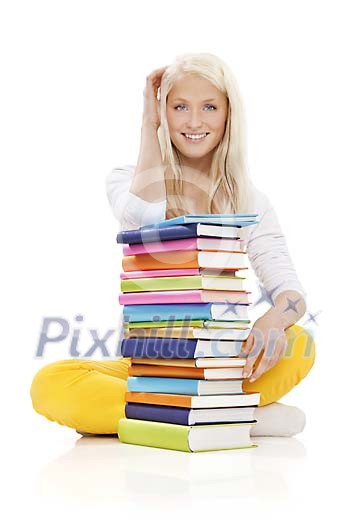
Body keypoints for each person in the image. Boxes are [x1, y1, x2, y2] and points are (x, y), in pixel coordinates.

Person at [30, 52, 315, 438]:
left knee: (300, 342)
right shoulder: (126, 178)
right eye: (179, 106)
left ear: (229, 114)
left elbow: (292, 294)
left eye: (209, 107)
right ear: (163, 112)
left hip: (221, 362)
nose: (194, 121)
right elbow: (140, 217)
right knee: (52, 382)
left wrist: (274, 321)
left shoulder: (250, 200)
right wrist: (149, 124)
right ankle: (236, 416)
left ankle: (166, 417)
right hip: (150, 368)